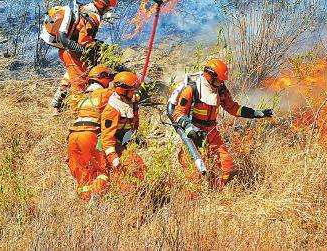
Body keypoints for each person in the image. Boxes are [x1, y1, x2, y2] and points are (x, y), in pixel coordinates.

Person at [167, 58, 273, 187]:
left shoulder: (220, 90)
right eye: (219, 80)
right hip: (194, 133)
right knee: (193, 172)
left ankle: (217, 189)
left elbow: (233, 108)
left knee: (226, 165)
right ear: (210, 76)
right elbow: (178, 113)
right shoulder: (191, 90)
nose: (221, 82)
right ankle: (194, 200)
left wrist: (255, 113)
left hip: (212, 133)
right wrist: (189, 128)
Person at [49, 0, 117, 111]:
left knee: (70, 76)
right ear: (102, 4)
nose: (109, 11)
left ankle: (56, 105)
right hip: (72, 52)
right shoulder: (93, 17)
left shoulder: (84, 8)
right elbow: (84, 42)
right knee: (79, 84)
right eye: (109, 8)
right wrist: (95, 50)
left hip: (66, 50)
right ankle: (76, 115)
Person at [67, 65, 114, 201]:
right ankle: (96, 201)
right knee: (101, 171)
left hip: (73, 136)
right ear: (102, 78)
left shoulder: (80, 98)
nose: (109, 81)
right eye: (108, 78)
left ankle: (86, 209)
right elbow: (123, 96)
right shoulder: (105, 94)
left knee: (83, 176)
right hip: (89, 134)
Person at [100, 71, 146, 188]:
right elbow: (107, 138)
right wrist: (113, 157)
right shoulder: (113, 110)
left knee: (139, 169)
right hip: (113, 147)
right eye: (132, 90)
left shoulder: (127, 100)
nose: (134, 92)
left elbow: (138, 95)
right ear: (123, 91)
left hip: (123, 143)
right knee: (128, 173)